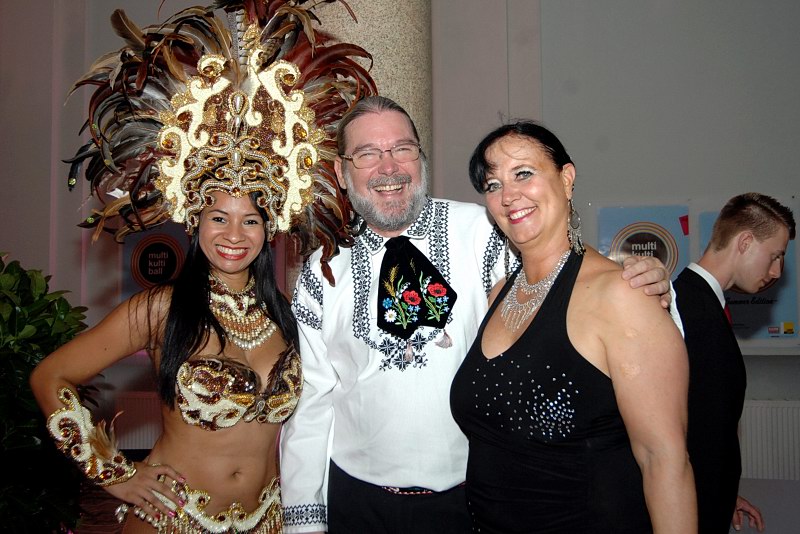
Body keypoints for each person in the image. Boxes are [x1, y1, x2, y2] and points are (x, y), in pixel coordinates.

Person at [30, 3, 375, 532]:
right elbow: (50, 376)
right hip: (174, 518)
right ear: (194, 222)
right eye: (219, 218)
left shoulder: (287, 314)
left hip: (268, 520)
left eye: (250, 220)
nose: (234, 235)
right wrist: (115, 473)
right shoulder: (160, 308)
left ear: (270, 229)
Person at [279, 97, 677, 533]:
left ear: (421, 158)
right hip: (358, 505)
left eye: (402, 149)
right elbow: (311, 403)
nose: (389, 167)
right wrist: (305, 520)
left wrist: (651, 284)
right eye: (368, 154)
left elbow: (571, 289)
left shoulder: (486, 231)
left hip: (472, 504)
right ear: (341, 172)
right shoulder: (322, 271)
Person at [450, 121, 696, 533]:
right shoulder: (498, 296)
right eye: (493, 185)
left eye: (523, 173)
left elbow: (664, 461)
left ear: (566, 179)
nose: (508, 195)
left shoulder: (621, 295)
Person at [674, 193, 794, 533]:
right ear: (744, 242)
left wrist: (726, 495)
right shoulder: (685, 308)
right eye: (775, 255)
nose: (777, 271)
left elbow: (706, 420)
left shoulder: (703, 303)